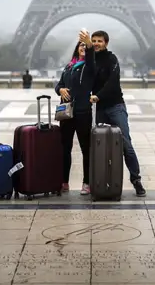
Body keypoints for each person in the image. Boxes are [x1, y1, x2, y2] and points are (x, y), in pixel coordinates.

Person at [89, 30, 146, 197]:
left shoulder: (112, 59)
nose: (97, 43)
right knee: (101, 148)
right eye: (94, 41)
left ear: (106, 43)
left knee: (125, 144)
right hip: (100, 109)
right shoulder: (90, 60)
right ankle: (103, 181)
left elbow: (113, 83)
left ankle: (136, 180)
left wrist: (98, 96)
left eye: (100, 40)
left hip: (115, 107)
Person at [54, 32, 95, 195]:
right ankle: (64, 182)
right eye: (81, 45)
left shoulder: (90, 66)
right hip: (67, 112)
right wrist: (60, 89)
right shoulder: (69, 66)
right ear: (76, 49)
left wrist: (89, 43)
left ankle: (87, 182)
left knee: (86, 148)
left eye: (86, 46)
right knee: (65, 148)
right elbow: (59, 84)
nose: (83, 47)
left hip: (83, 111)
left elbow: (91, 59)